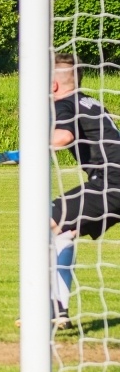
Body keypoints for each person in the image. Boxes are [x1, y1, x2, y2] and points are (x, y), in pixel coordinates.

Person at [49, 53, 120, 329]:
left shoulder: (65, 103)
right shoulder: (90, 102)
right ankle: (59, 310)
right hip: (110, 184)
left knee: (43, 222)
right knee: (64, 231)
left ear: (54, 84)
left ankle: (44, 309)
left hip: (109, 185)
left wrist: (28, 147)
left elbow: (63, 136)